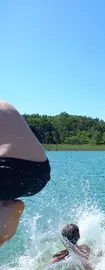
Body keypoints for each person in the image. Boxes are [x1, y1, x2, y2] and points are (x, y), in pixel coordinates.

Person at [0, 101, 51, 246]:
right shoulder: (5, 105)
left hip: (9, 170)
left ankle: (6, 210)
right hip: (40, 174)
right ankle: (5, 208)